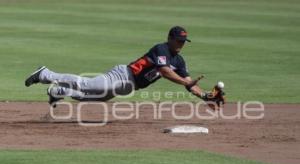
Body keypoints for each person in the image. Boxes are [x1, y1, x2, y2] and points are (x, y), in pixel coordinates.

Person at [25, 26, 225, 108]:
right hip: (122, 75)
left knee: (91, 98)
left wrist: (206, 96)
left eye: (184, 41)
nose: (181, 44)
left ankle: (59, 90)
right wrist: (185, 82)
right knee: (86, 84)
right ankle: (45, 73)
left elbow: (189, 83)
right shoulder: (162, 49)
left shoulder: (179, 61)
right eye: (179, 41)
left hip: (129, 86)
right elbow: (165, 72)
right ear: (170, 39)